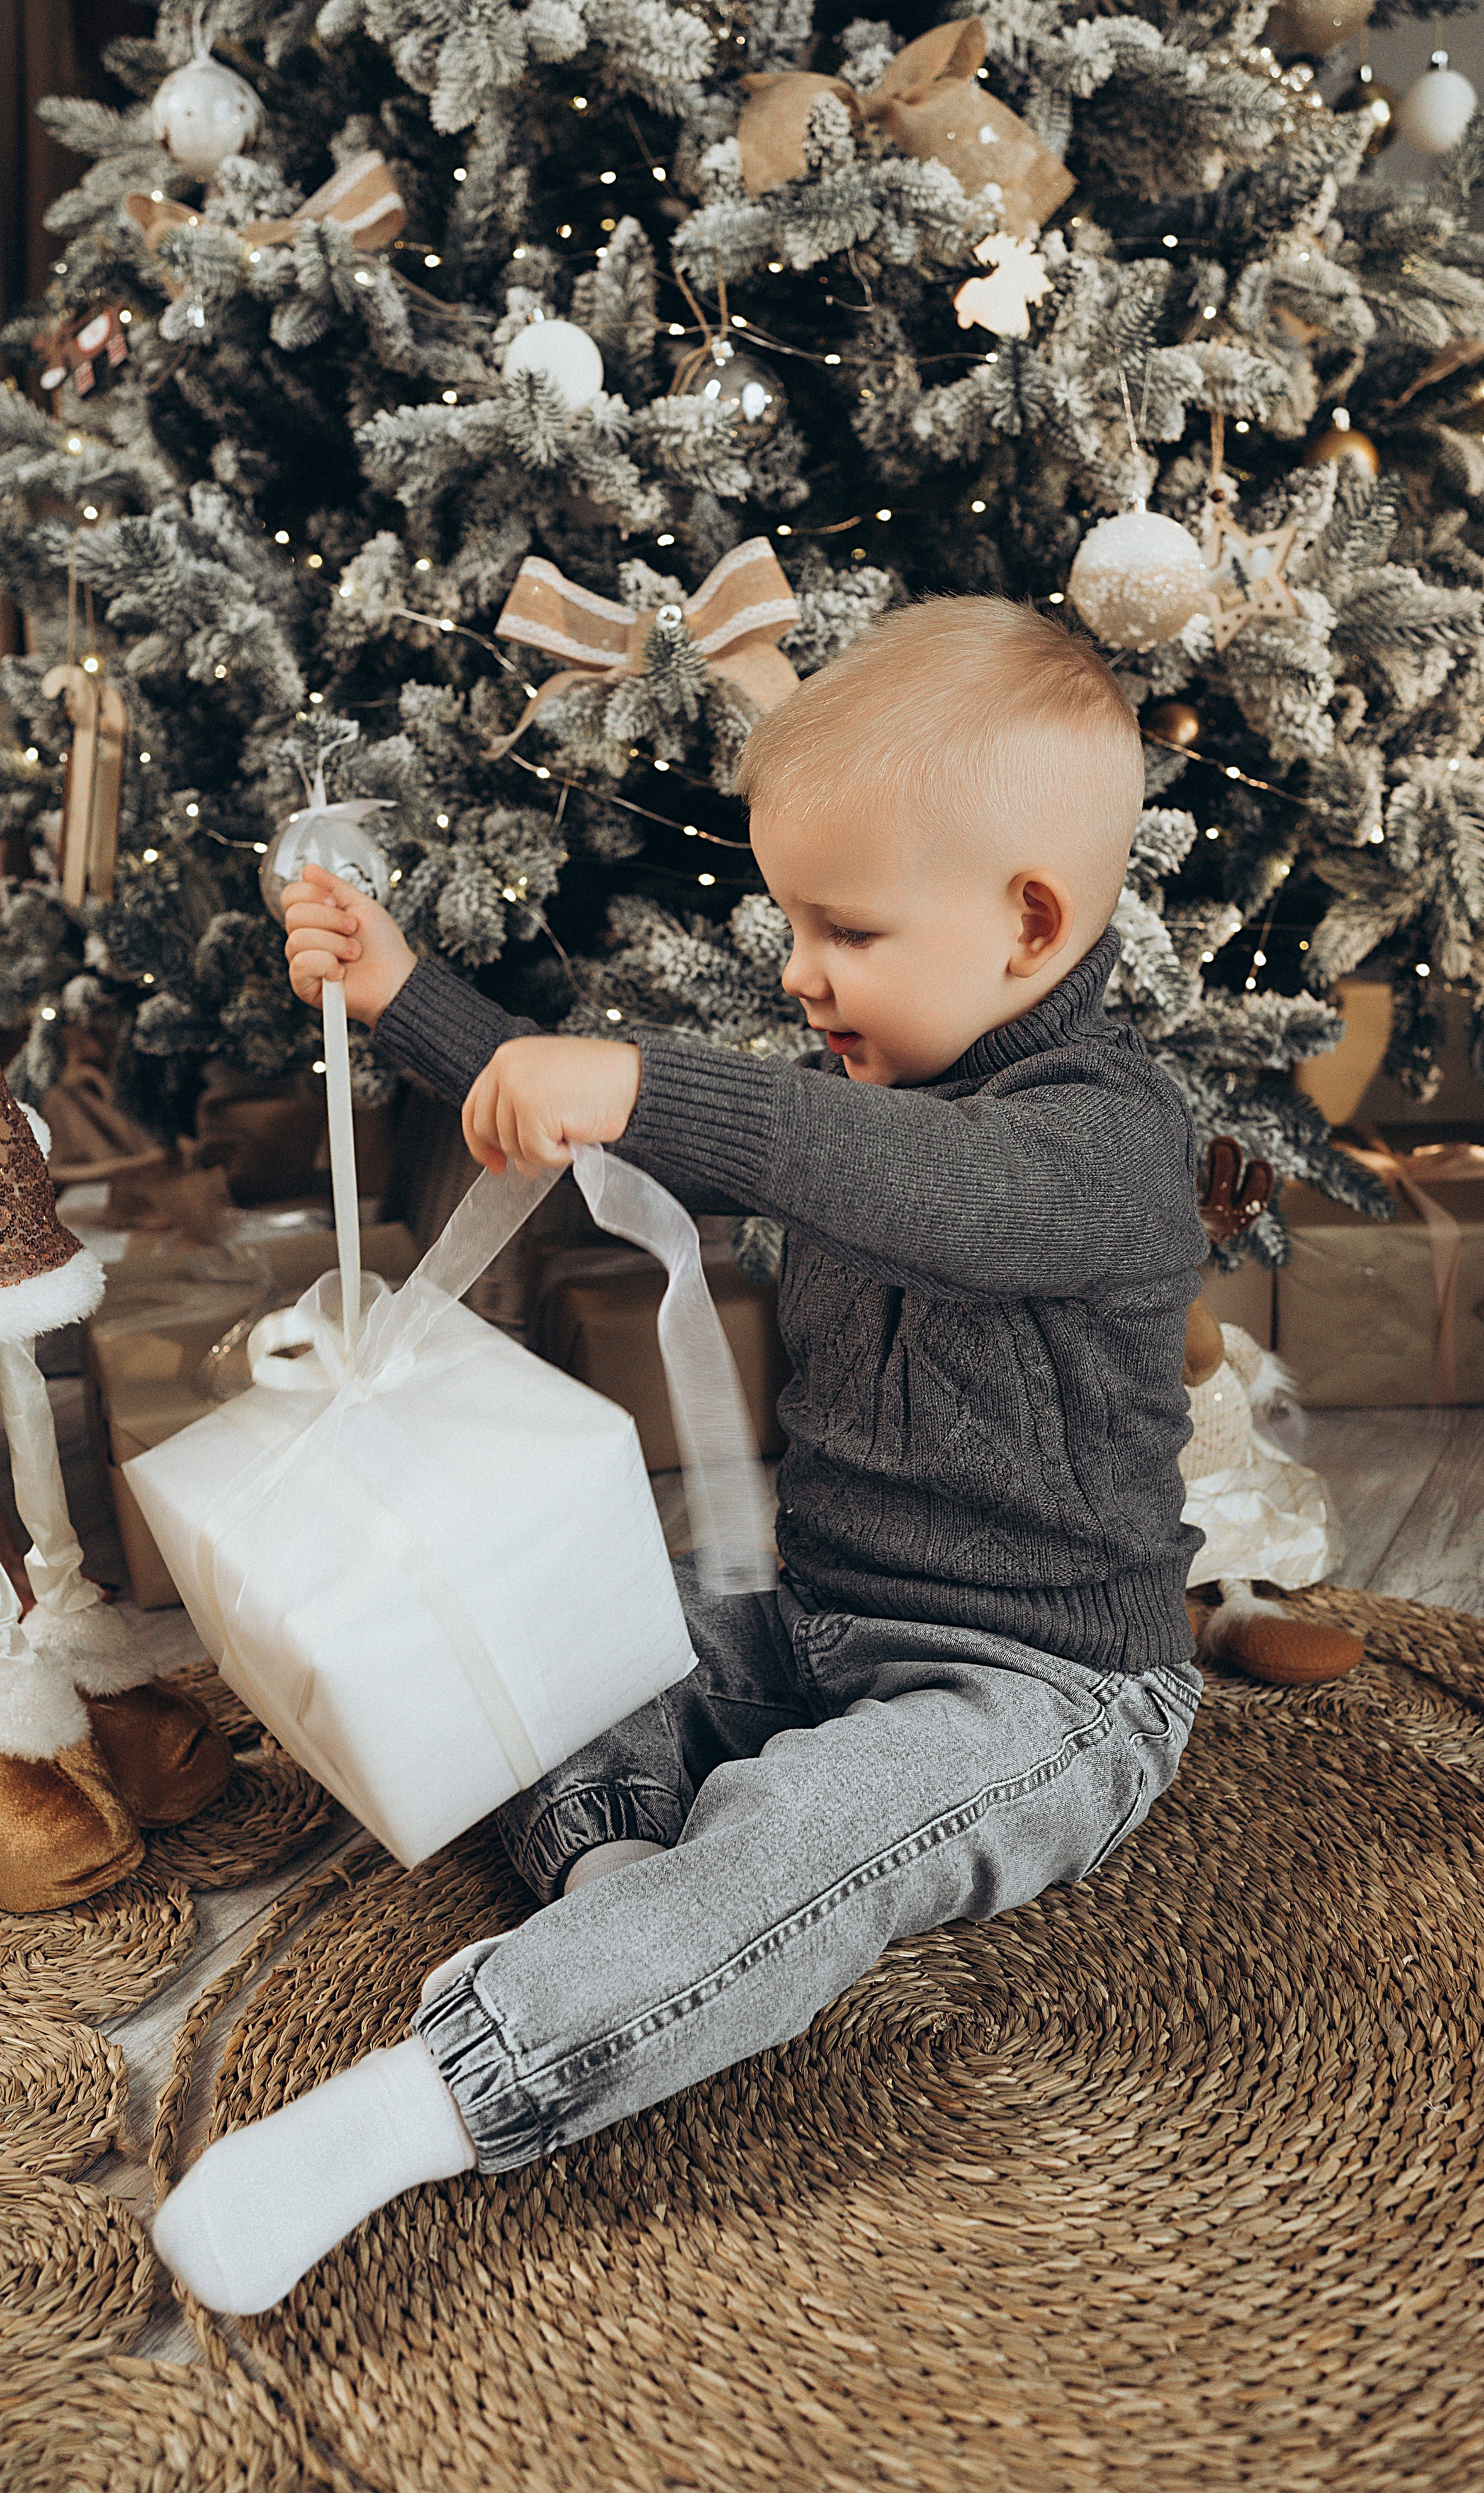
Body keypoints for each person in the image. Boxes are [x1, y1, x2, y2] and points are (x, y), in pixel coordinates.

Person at [152, 596, 1208, 2314]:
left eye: (841, 931)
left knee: (813, 1824)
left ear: (1030, 926)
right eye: (790, 923)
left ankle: (436, 2096)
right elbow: (576, 1103)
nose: (797, 971)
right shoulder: (855, 1083)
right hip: (824, 1617)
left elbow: (897, 1180)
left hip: (1044, 1691)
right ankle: (634, 1895)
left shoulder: (1103, 1146)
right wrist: (404, 989)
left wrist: (649, 1084)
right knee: (571, 1641)